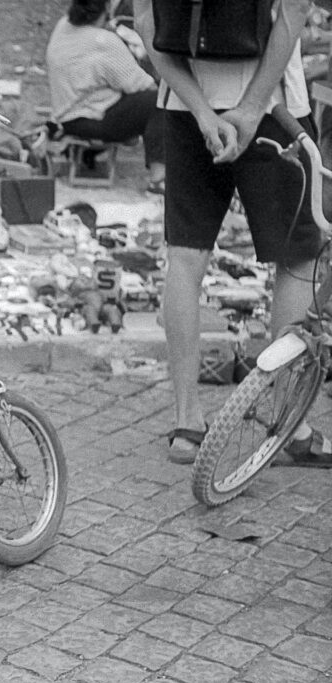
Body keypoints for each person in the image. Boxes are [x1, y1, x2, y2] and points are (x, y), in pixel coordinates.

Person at [133, 0, 330, 464]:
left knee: (185, 257)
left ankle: (186, 423)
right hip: (275, 108)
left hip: (183, 108)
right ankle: (288, 426)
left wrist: (202, 112)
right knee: (298, 258)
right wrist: (251, 107)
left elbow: (145, 23)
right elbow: (296, 9)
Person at [46, 0, 166, 192]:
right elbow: (139, 84)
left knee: (132, 99)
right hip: (93, 119)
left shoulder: (63, 26)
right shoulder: (103, 41)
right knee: (159, 100)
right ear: (107, 9)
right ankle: (159, 177)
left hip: (65, 118)